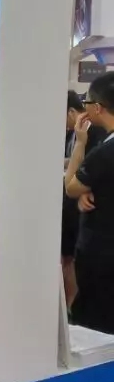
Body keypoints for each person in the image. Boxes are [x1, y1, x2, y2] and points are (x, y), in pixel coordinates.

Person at [65, 73, 114, 333]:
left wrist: (80, 143)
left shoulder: (104, 151)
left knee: (95, 322)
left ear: (98, 107)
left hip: (101, 251)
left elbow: (71, 186)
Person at [61, 91, 106, 307]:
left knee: (74, 259)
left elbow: (77, 182)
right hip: (72, 206)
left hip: (84, 213)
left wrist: (85, 189)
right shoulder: (74, 134)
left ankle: (73, 303)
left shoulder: (95, 134)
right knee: (67, 257)